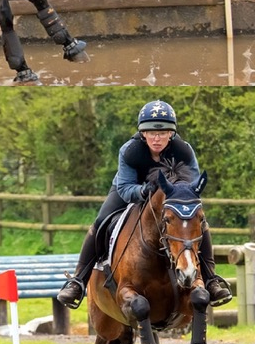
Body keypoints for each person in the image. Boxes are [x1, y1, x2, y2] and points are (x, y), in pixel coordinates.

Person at [56, 100, 233, 309]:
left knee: (198, 223)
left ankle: (211, 280)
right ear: (143, 133)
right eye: (151, 133)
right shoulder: (130, 151)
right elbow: (125, 187)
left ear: (171, 134)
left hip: (171, 196)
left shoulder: (184, 151)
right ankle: (78, 281)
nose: (156, 138)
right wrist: (142, 191)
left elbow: (191, 186)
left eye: (163, 132)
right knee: (101, 221)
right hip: (131, 189)